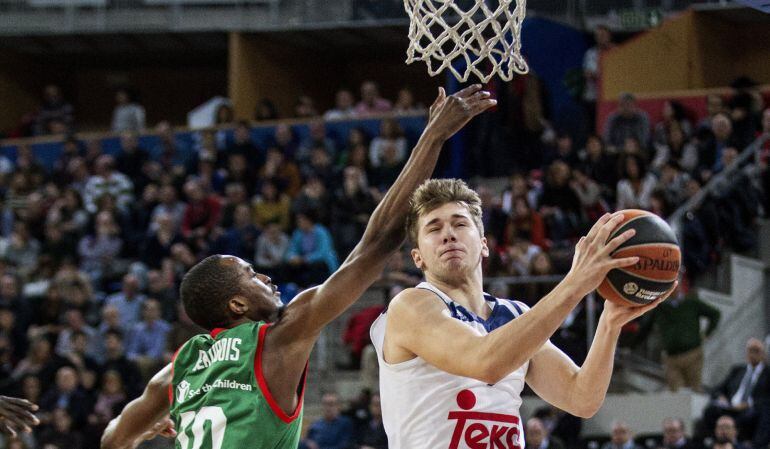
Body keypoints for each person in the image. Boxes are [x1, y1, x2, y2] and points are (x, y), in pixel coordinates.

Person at [100, 85, 497, 449]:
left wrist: (144, 430)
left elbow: (112, 440)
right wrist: (433, 136)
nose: (266, 277)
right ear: (237, 305)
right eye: (252, 275)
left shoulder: (176, 372)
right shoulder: (277, 338)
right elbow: (378, 243)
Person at [371, 180, 676, 448]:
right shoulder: (411, 307)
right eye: (434, 228)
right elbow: (486, 362)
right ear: (418, 257)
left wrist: (610, 323)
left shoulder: (515, 315)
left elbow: (581, 398)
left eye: (460, 224)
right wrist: (573, 284)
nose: (448, 235)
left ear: (485, 244)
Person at [634, 282, 720, 392]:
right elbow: (645, 328)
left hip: (692, 353)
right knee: (676, 393)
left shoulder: (691, 302)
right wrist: (631, 345)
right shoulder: (660, 307)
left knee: (695, 390)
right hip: (671, 357)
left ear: (679, 287)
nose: (673, 289)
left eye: (675, 286)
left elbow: (715, 314)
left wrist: (707, 333)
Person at [702, 338, 769, 447]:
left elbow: (767, 398)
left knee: (766, 411)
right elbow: (718, 389)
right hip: (730, 406)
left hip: (751, 409)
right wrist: (721, 397)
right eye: (750, 350)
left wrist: (748, 404)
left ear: (763, 354)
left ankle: (756, 445)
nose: (752, 354)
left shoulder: (767, 373)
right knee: (710, 410)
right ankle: (714, 443)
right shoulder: (737, 370)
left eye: (756, 351)